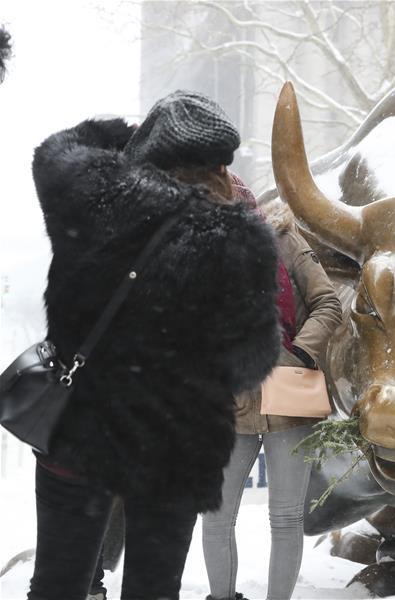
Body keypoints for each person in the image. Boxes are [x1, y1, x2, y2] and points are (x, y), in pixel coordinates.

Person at [28, 90, 282, 600]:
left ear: (148, 146)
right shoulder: (238, 237)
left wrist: (123, 135)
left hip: (80, 431)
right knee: (154, 589)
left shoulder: (89, 190)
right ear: (220, 166)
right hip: (175, 448)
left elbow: (53, 150)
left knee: (57, 585)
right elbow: (250, 362)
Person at [202, 197, 342, 600]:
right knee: (216, 515)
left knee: (285, 517)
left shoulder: (284, 239)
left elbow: (328, 302)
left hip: (291, 389)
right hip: (230, 396)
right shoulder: (201, 252)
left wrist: (298, 353)